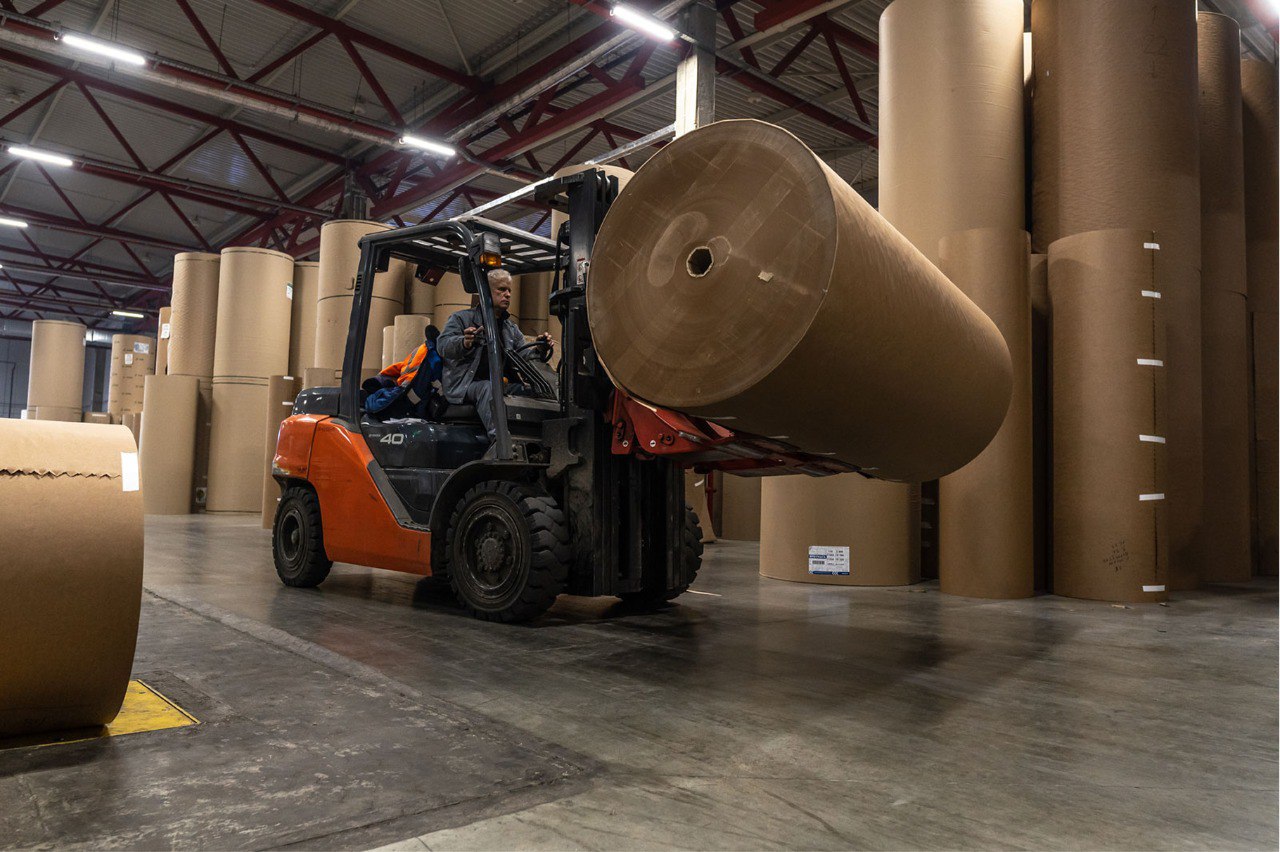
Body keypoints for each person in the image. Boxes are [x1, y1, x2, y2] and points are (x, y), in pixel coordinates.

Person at [438, 268, 553, 441]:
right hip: (467, 384)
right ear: (486, 292)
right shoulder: (461, 319)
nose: (508, 294)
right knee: (489, 388)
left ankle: (541, 441)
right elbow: (442, 345)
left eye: (509, 290)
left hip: (501, 384)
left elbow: (524, 357)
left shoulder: (510, 328)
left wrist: (539, 350)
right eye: (502, 289)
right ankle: (501, 443)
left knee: (538, 391)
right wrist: (464, 343)